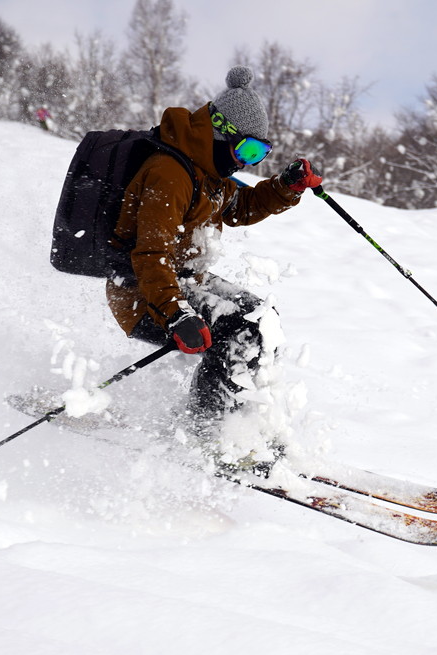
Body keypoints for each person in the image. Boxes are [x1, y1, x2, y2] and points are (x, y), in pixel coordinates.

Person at [104, 66, 322, 464]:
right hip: (141, 292)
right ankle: (207, 433)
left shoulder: (209, 173)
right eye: (247, 151)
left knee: (261, 318)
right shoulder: (171, 173)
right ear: (220, 133)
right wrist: (175, 315)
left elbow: (238, 208)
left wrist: (283, 187)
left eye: (259, 154)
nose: (247, 163)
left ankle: (241, 422)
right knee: (238, 327)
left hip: (181, 280)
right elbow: (149, 255)